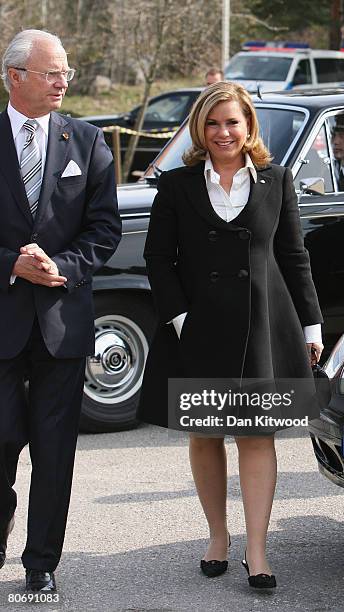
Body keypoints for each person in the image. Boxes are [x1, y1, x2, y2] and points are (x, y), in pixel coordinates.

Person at [139, 81, 323, 589]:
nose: (223, 132)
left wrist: (311, 325)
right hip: (197, 329)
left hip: (263, 326)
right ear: (201, 128)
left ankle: (258, 550)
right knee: (205, 433)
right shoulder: (175, 186)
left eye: (233, 122)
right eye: (214, 123)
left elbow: (293, 257)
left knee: (257, 435)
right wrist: (180, 319)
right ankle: (217, 536)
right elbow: (158, 259)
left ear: (248, 128)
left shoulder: (276, 179)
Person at [0, 29, 121, 592]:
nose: (62, 81)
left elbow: (105, 229)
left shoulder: (89, 140)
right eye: (51, 72)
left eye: (65, 72)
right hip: (1, 322)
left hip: (62, 326)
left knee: (55, 455)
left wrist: (62, 266)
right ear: (15, 76)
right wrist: (10, 262)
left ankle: (41, 564)